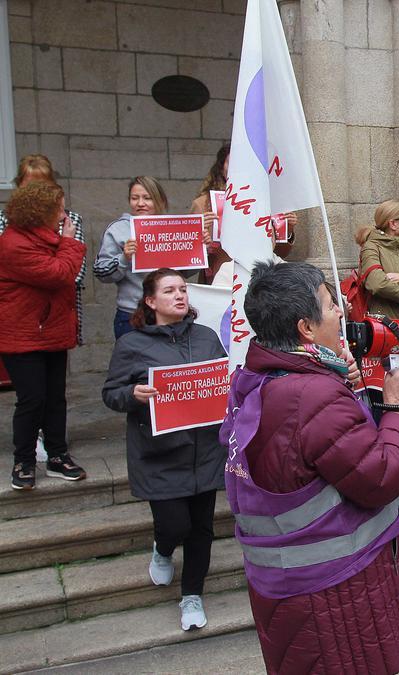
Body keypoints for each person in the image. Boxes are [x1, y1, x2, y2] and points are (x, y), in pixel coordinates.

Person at [221, 261, 399, 674]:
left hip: (289, 591)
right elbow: (382, 478)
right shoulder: (313, 396)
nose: (343, 309)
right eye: (331, 304)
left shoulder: (257, 380)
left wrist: (334, 383)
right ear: (305, 329)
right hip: (338, 595)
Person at [102, 269, 226, 630]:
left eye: (183, 289)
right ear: (151, 301)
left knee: (201, 527)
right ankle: (163, 547)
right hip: (160, 453)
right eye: (169, 290)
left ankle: (192, 597)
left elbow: (219, 381)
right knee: (174, 524)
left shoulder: (205, 337)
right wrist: (133, 395)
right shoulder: (131, 344)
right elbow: (111, 394)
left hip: (203, 450)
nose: (180, 295)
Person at [0, 182, 87, 490]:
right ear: (41, 212)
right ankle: (23, 460)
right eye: (59, 209)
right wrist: (69, 242)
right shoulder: (14, 244)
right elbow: (61, 274)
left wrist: (63, 244)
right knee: (32, 399)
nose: (64, 215)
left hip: (50, 331)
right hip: (22, 335)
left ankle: (57, 455)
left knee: (55, 399)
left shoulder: (47, 238)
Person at [0, 155, 87, 348]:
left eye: (42, 184)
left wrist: (56, 260)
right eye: (30, 185)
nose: (36, 192)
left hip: (57, 314)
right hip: (22, 315)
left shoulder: (68, 219)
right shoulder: (8, 224)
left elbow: (75, 274)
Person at [189, 144, 293, 283]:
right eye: (232, 163)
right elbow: (191, 256)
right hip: (220, 279)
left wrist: (288, 230)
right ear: (221, 168)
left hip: (261, 278)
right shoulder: (203, 204)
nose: (237, 168)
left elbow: (280, 253)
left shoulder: (267, 202)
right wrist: (198, 234)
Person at [95, 177, 171, 339]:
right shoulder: (118, 229)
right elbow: (102, 273)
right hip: (132, 314)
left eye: (147, 198)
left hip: (169, 314)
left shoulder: (173, 227)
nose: (140, 203)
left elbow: (183, 273)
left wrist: (201, 250)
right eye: (134, 198)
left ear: (161, 200)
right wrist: (123, 257)